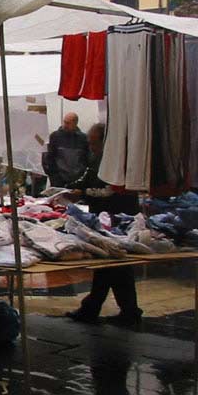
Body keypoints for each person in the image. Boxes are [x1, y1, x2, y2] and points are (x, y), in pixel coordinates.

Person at [66, 123, 143, 325]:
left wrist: (83, 193)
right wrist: (71, 188)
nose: (91, 147)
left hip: (118, 218)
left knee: (112, 266)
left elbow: (111, 190)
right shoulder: (97, 158)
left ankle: (97, 308)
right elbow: (87, 179)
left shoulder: (117, 161)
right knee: (112, 266)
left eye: (94, 143)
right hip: (104, 217)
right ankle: (123, 310)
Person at [44, 112, 89, 189]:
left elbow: (86, 159)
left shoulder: (83, 139)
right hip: (58, 181)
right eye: (64, 122)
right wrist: (54, 177)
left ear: (75, 123)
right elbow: (48, 159)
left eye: (68, 123)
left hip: (77, 181)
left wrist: (81, 178)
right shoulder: (55, 137)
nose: (65, 125)